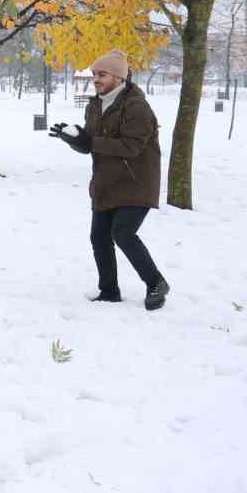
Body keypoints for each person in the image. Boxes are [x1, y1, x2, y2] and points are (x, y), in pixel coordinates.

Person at [50, 49, 169, 310]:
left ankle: (156, 282)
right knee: (99, 237)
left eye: (102, 74)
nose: (96, 79)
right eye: (94, 74)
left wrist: (90, 141)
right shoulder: (95, 105)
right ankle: (109, 291)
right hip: (106, 182)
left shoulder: (136, 106)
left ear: (118, 76)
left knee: (123, 233)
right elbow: (92, 146)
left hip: (136, 182)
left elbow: (131, 147)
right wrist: (74, 140)